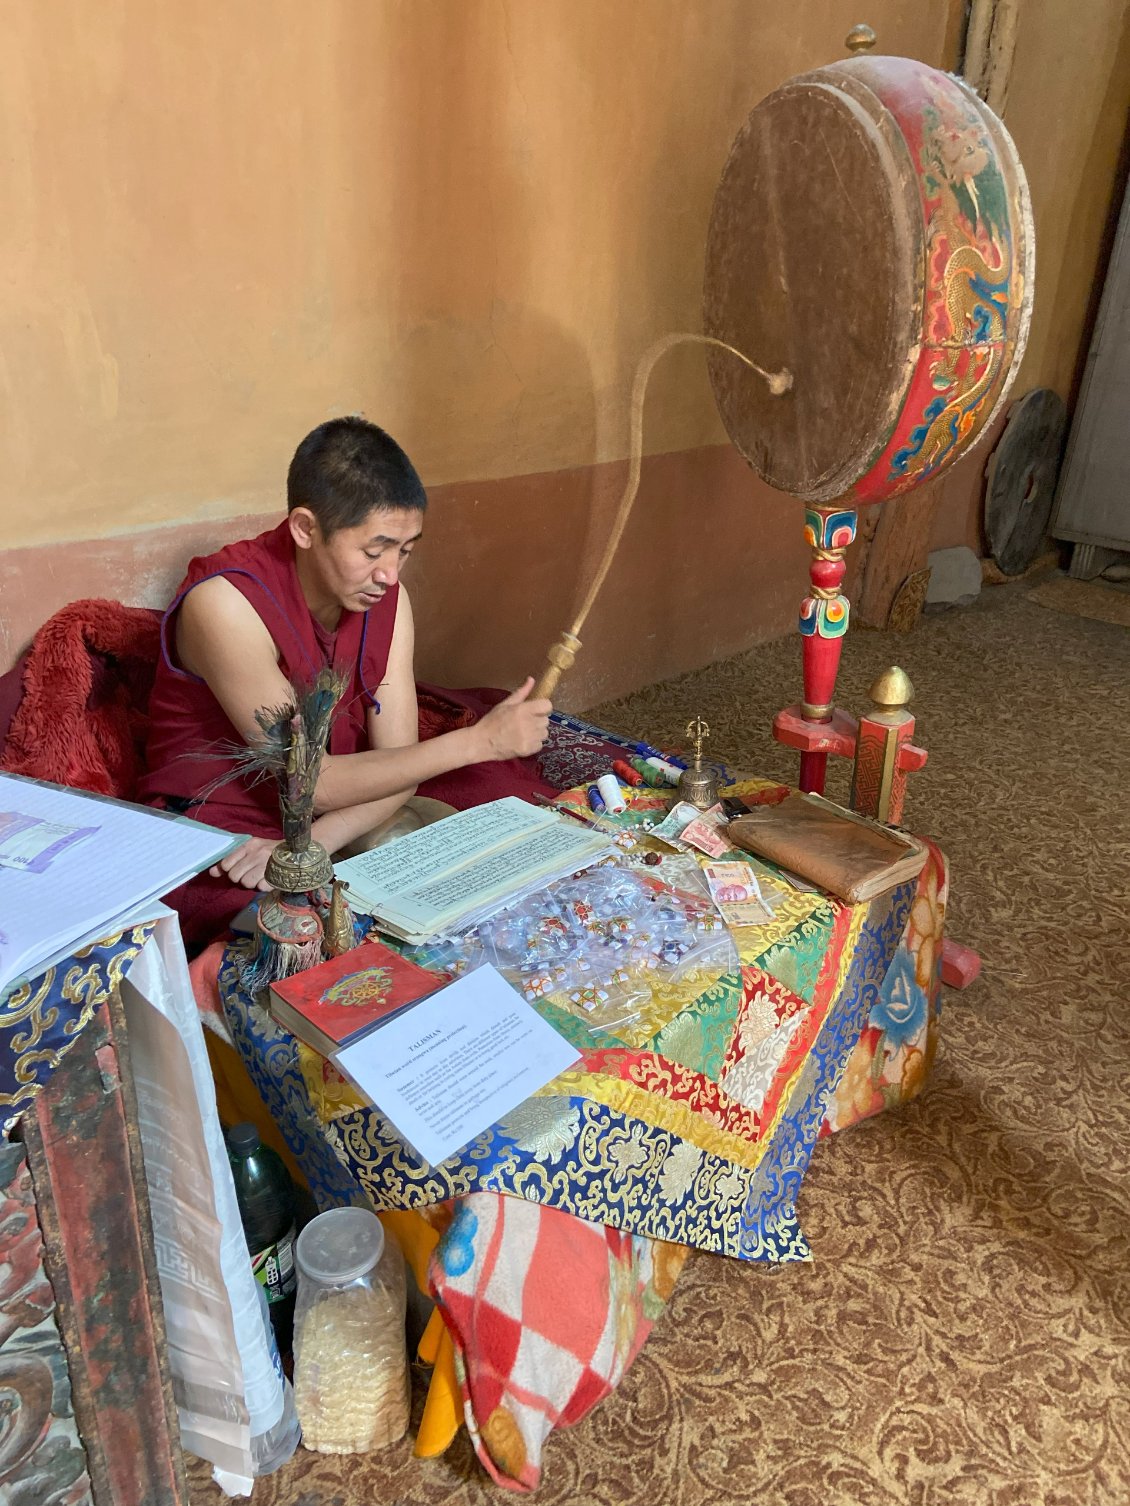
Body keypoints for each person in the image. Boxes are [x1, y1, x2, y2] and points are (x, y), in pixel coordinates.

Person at [140, 416, 551, 943]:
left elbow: (399, 765)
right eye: (373, 551)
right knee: (299, 942)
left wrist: (311, 845)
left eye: (405, 550)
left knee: (500, 857)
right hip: (223, 831)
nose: (390, 575)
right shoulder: (225, 606)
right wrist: (479, 742)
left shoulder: (388, 600)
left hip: (325, 818)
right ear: (306, 529)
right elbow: (315, 782)